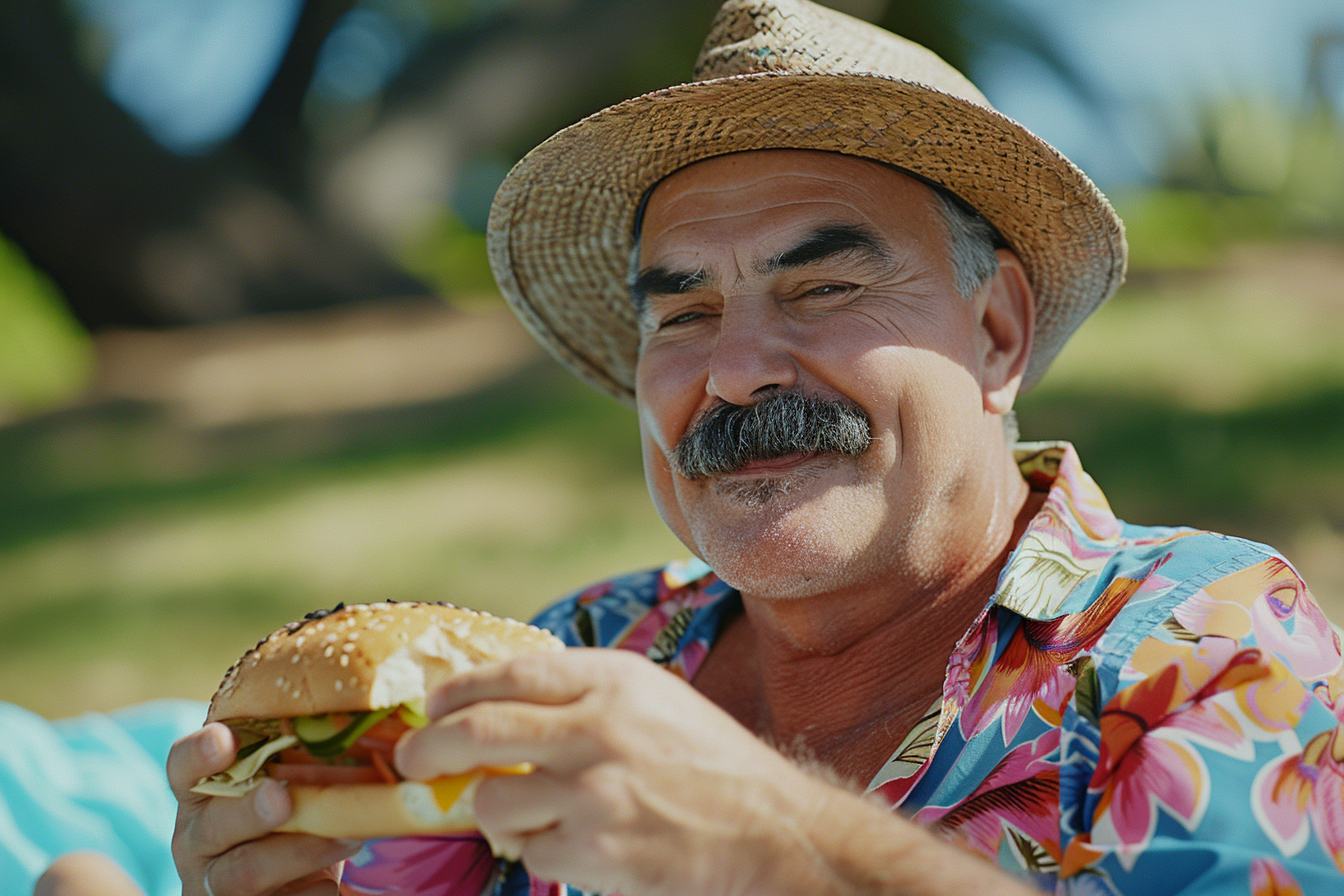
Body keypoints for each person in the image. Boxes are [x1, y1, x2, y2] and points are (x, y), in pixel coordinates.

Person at [165, 1, 1344, 894]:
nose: (736, 370)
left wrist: (777, 845)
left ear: (997, 331)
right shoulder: (582, 648)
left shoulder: (1209, 644)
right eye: (682, 314)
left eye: (824, 286)